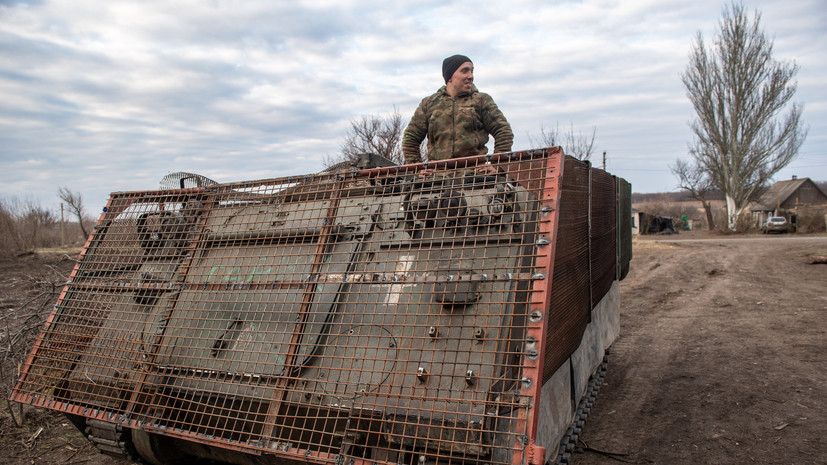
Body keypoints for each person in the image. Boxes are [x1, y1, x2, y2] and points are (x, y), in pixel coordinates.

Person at [402, 54, 513, 171]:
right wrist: (418, 168)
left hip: (475, 176)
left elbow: (503, 132)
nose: (470, 76)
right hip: (437, 179)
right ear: (450, 76)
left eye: (472, 71)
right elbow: (411, 138)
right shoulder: (429, 103)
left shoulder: (481, 100)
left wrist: (497, 165)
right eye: (465, 71)